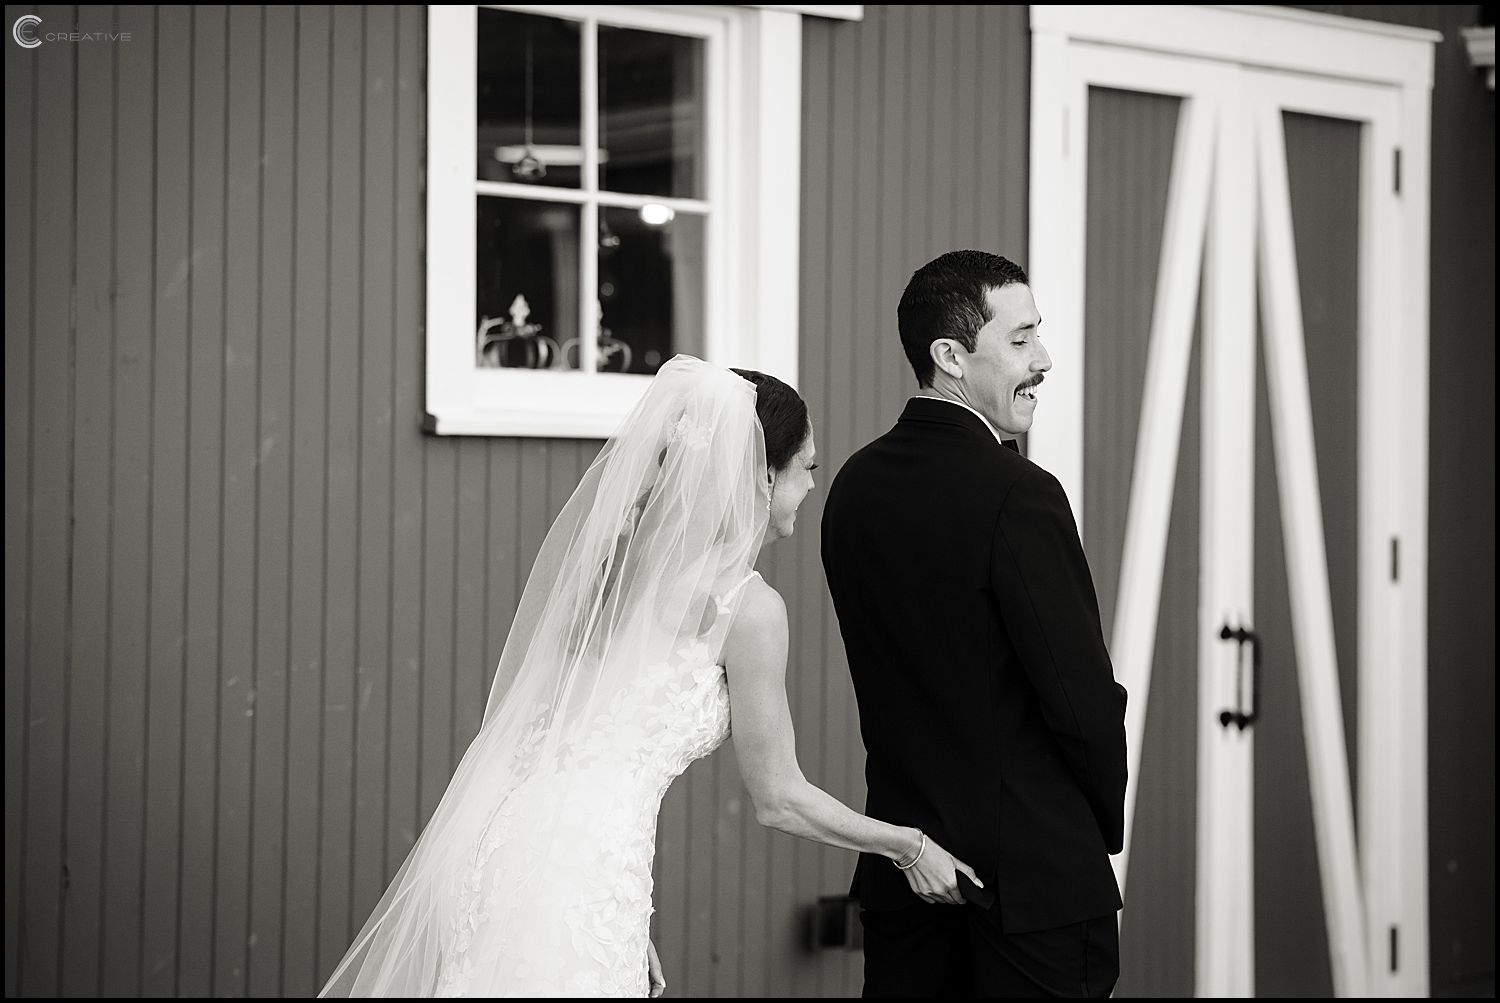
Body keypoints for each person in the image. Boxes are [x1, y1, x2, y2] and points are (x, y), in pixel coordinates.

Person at [320, 355, 979, 998]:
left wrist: (616, 913)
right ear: (760, 477)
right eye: (806, 470)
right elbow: (778, 795)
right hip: (579, 867)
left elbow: (557, 744)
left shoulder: (615, 575)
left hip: (505, 846)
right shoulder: (747, 608)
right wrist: (907, 844)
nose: (811, 488)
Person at [821, 251, 1129, 998]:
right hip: (1030, 888)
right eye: (1020, 340)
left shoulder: (853, 489)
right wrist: (1093, 831)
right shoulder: (1019, 493)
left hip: (907, 877)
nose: (1044, 360)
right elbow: (1081, 698)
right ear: (951, 356)